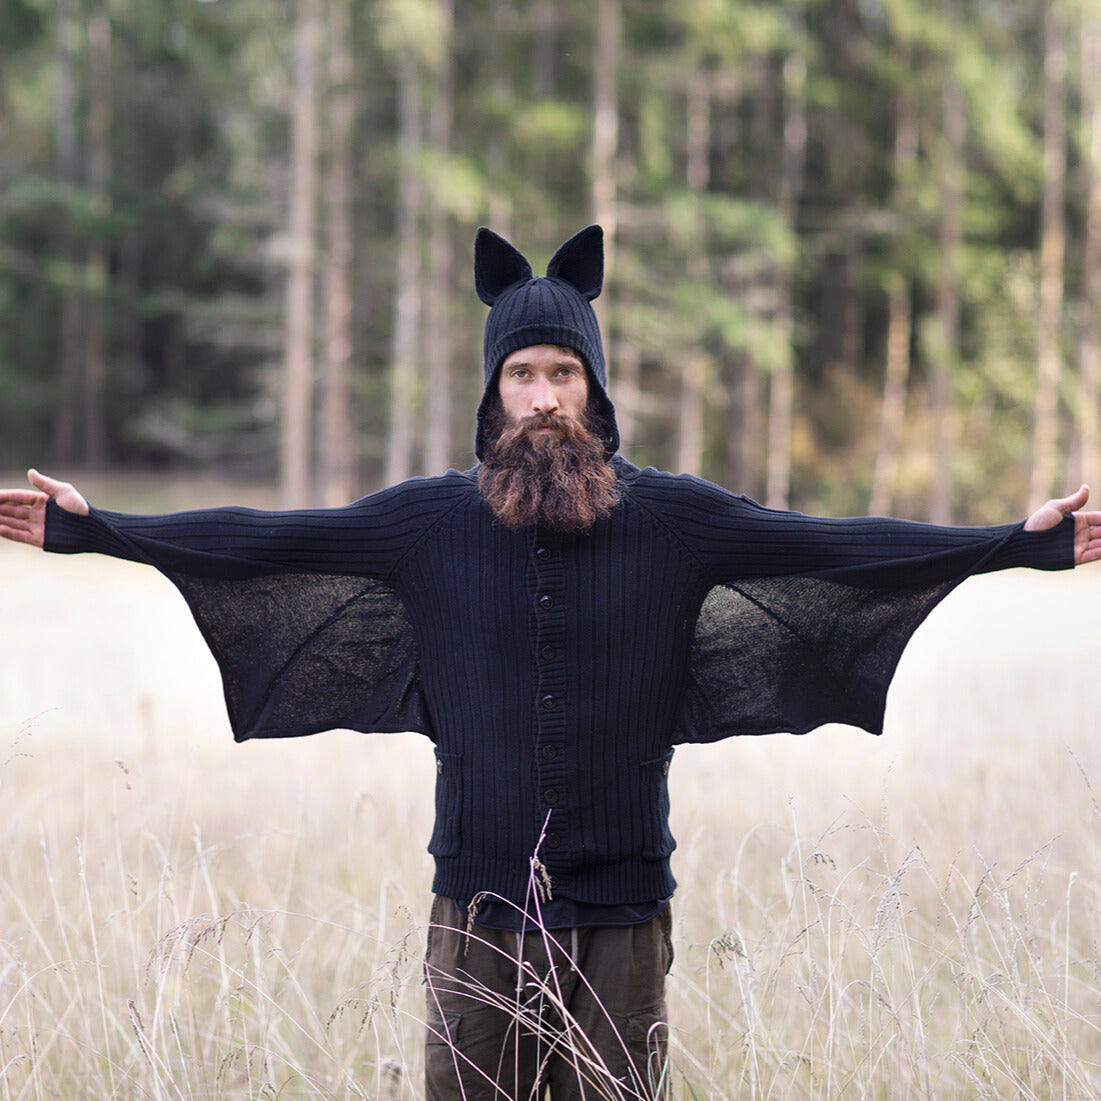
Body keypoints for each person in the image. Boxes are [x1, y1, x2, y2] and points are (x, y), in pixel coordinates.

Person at [2, 224, 1100, 1101]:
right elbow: (269, 536)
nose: (541, 394)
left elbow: (833, 543)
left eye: (562, 372)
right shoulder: (426, 525)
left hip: (621, 914)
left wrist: (1021, 545)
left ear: (595, 392)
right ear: (493, 396)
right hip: (476, 913)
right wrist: (100, 529)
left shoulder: (677, 521)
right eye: (521, 372)